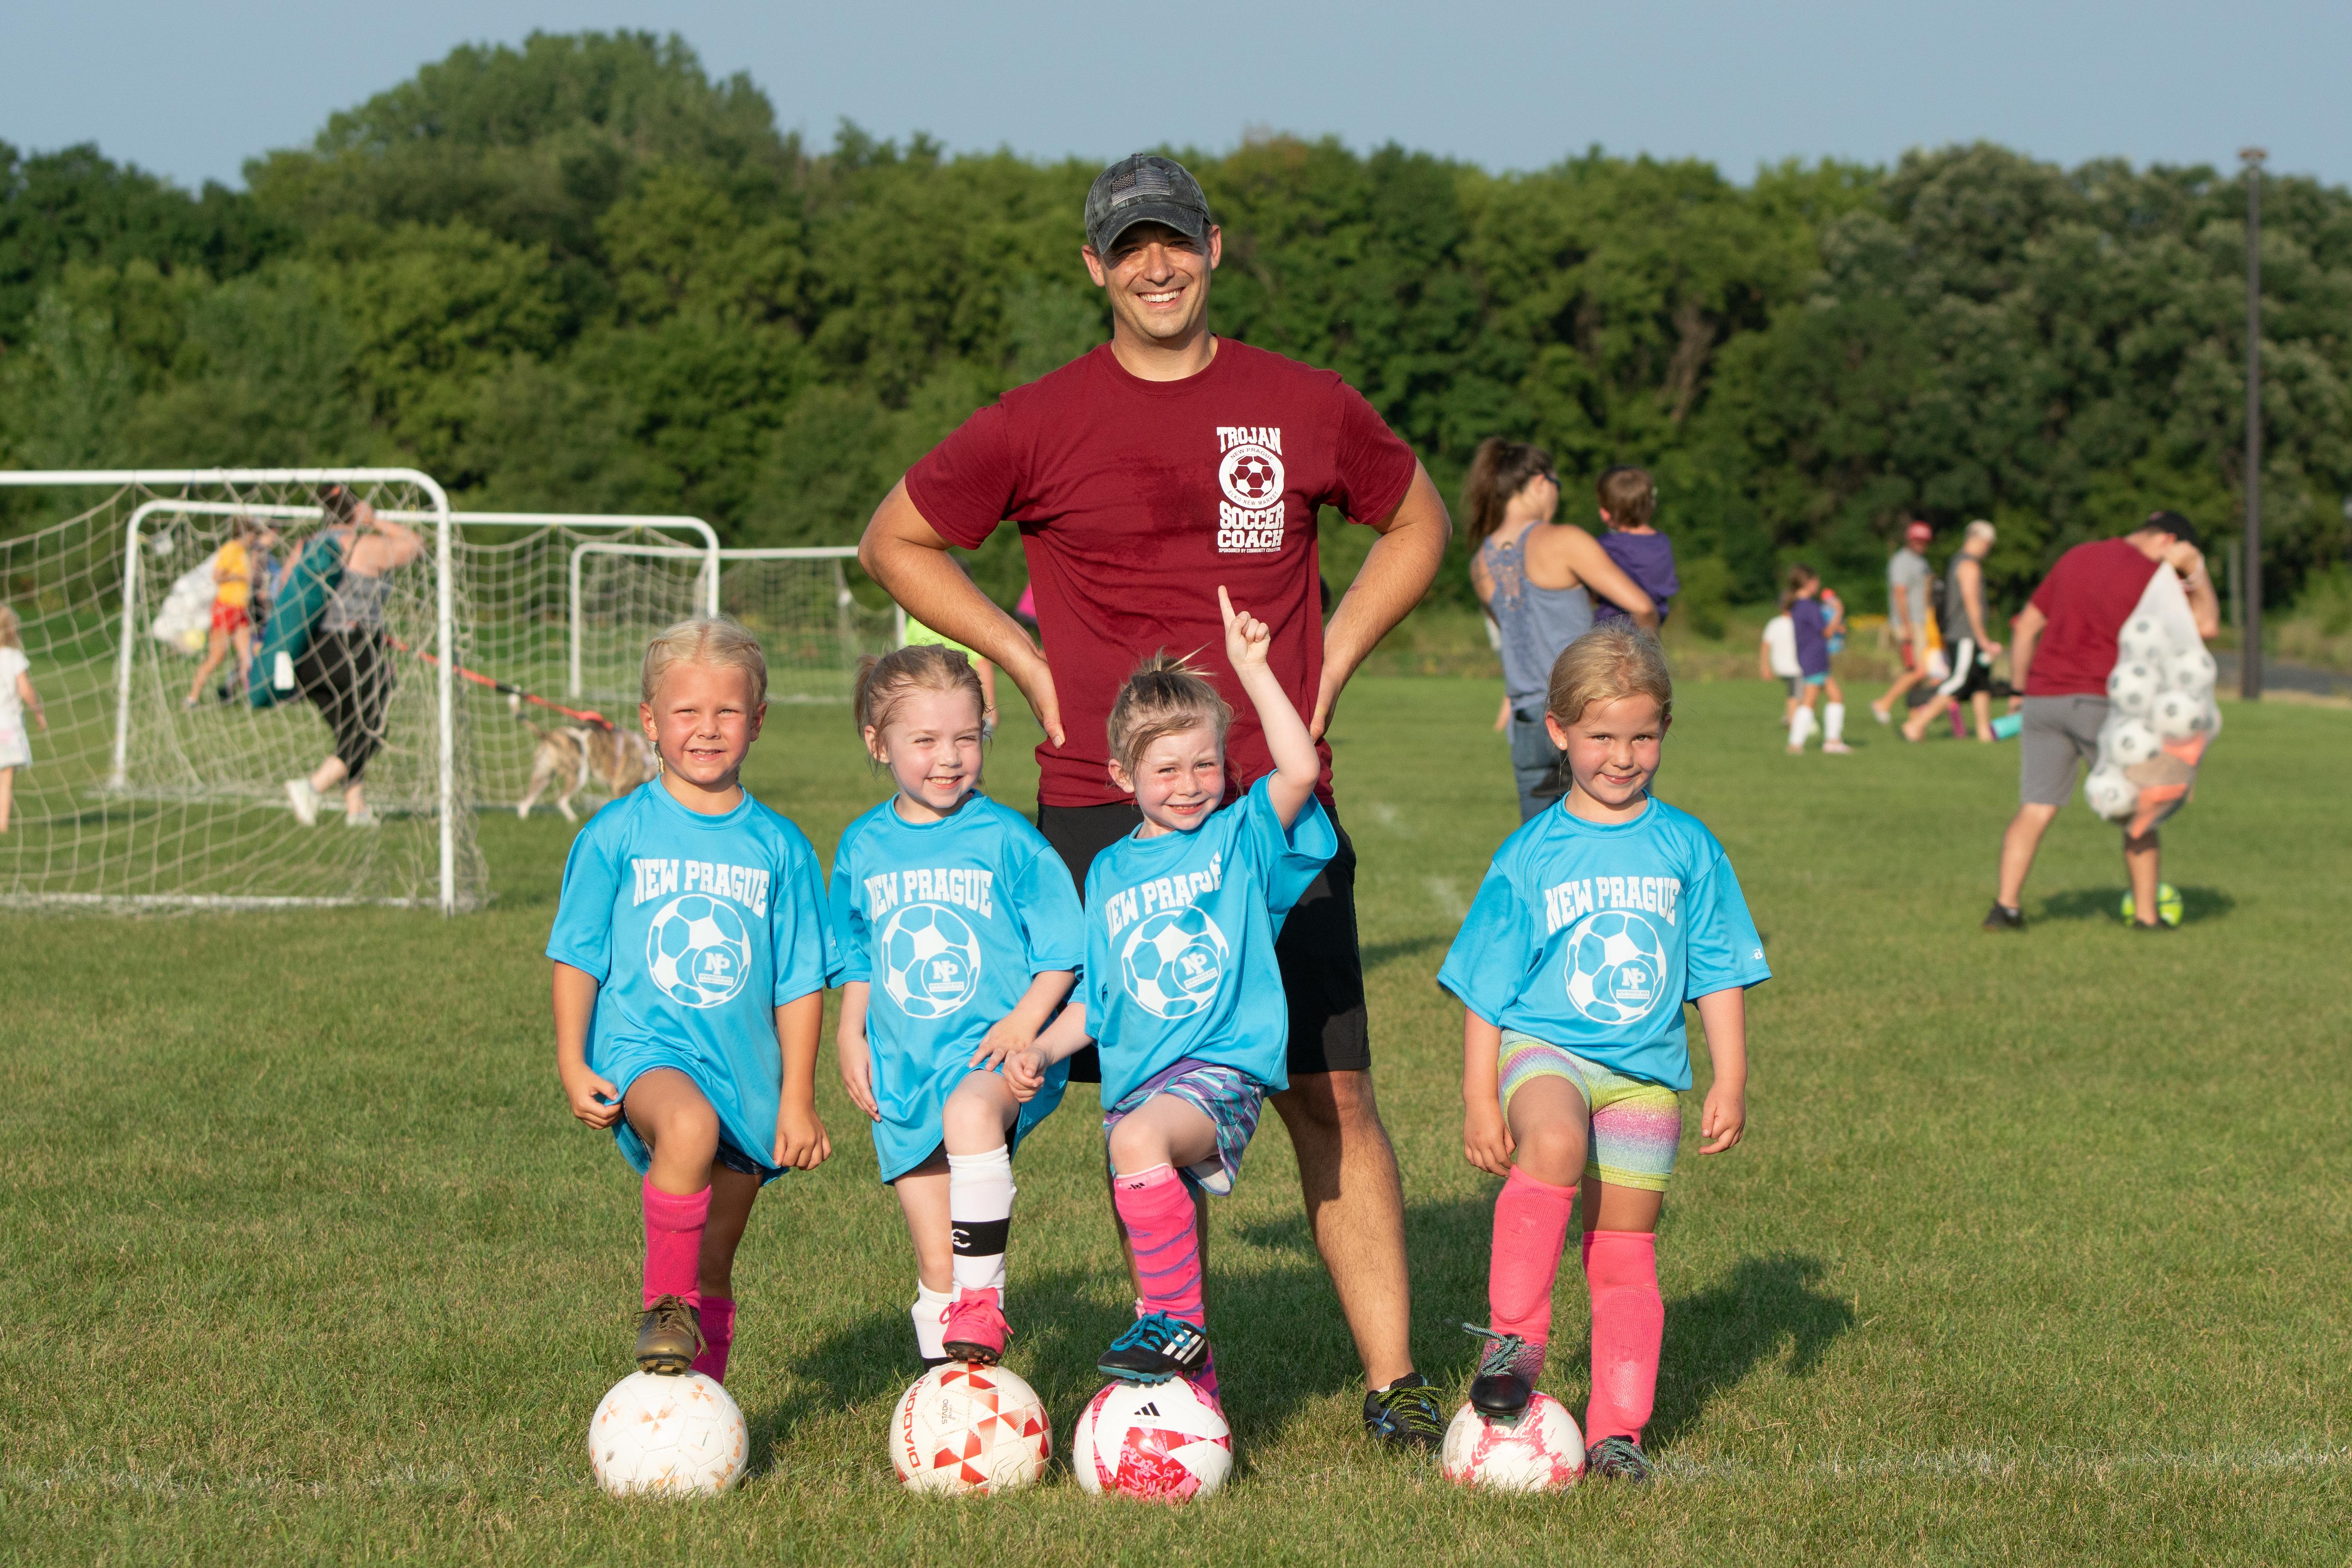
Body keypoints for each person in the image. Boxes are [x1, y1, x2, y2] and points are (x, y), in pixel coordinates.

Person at [857, 152, 1454, 1445]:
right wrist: (1016, 657)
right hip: (1090, 816)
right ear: (1093, 266)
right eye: (1128, 248)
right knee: (1056, 1089)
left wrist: (1328, 659)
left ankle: (1394, 1380)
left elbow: (1416, 520)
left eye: (1172, 241)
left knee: (1327, 1089)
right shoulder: (1035, 417)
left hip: (1266, 821)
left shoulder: (1299, 404)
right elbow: (891, 537)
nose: (1154, 266)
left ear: (1212, 247)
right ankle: (1068, 1352)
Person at [1439, 624, 1766, 1482]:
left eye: (1643, 735)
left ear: (1663, 730)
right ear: (1556, 732)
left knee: (1625, 1250)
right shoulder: (1530, 854)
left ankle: (1619, 1429)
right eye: (1601, 737)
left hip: (1644, 1076)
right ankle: (1515, 1341)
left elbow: (1719, 968)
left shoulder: (1688, 846)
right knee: (1552, 1141)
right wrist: (1480, 1097)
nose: (1623, 756)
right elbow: (1484, 987)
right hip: (1544, 1050)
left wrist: (1728, 1075)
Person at [1015, 591, 1332, 1400]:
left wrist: (1256, 671)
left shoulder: (1239, 837)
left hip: (1218, 1072)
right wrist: (1042, 1048)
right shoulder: (1111, 873)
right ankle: (1199, 1406)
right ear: (1124, 775)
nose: (1191, 783)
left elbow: (1297, 768)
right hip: (1135, 1088)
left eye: (1204, 764)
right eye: (1167, 768)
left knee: (1144, 1185)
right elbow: (1100, 996)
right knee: (1166, 1244)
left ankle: (1178, 1329)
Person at [549, 618, 840, 1379]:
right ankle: (660, 1301)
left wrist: (797, 1098)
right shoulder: (616, 832)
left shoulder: (780, 846)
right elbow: (577, 955)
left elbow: (800, 980)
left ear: (757, 720)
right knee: (685, 1123)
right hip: (645, 1051)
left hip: (747, 1078)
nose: (705, 728)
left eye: (726, 711)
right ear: (649, 719)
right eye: (685, 711)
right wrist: (572, 1059)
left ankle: (695, 1406)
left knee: (714, 1266)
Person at [830, 644, 1084, 1369]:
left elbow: (1062, 950)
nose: (948, 758)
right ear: (878, 744)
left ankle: (984, 1301)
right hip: (902, 1062)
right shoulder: (862, 843)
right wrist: (850, 1030)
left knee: (970, 1113)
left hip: (991, 1053)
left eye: (965, 738)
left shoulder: (1006, 838)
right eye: (925, 740)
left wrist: (1025, 1022)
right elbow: (859, 951)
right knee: (934, 1256)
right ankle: (953, 1386)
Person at [1984, 512, 2219, 932]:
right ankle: (2147, 917)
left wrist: (2019, 692)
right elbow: (2206, 625)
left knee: (2035, 806)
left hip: (2042, 698)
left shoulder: (2076, 556)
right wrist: (2195, 571)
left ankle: (2005, 908)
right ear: (2169, 540)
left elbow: (2026, 627)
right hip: (2102, 700)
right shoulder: (2154, 575)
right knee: (2139, 807)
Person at [1465, 439, 1660, 820]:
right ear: (1540, 482)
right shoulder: (1563, 541)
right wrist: (1649, 665)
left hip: (1528, 723)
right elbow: (1642, 606)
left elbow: (1511, 638)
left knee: (1543, 853)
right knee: (1621, 841)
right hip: (1588, 712)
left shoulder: (1479, 565)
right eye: (1556, 483)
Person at [282, 486, 425, 829]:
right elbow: (416, 545)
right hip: (353, 648)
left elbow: (284, 589)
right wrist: (376, 521)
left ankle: (356, 808)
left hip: (310, 654)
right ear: (355, 512)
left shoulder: (307, 546)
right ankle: (312, 787)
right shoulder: (364, 546)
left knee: (350, 731)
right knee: (371, 729)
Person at [1904, 519, 2001, 743]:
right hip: (1965, 634)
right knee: (1959, 681)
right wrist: (1983, 639)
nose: (1988, 549)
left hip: (1965, 634)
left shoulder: (1958, 561)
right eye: (1988, 544)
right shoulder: (1969, 565)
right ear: (1980, 540)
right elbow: (1971, 603)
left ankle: (1984, 733)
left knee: (1981, 683)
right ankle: (1916, 723)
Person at [183, 517, 271, 708]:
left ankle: (251, 697)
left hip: (241, 609)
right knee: (217, 657)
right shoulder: (230, 549)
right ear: (245, 534)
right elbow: (217, 576)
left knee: (247, 655)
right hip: (226, 607)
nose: (254, 539)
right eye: (253, 535)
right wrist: (240, 576)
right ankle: (192, 697)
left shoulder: (245, 553)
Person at [1590, 467, 1679, 627]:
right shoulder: (1663, 543)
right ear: (1651, 505)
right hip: (1650, 633)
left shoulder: (1608, 545)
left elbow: (1594, 593)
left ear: (1605, 513)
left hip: (1611, 635)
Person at [1871, 520, 1937, 726]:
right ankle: (1884, 703)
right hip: (1909, 623)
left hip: (1921, 622)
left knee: (1917, 673)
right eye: (1918, 540)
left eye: (1924, 541)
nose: (1921, 544)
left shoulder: (1922, 563)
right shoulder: (1901, 561)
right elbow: (1900, 593)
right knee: (1919, 671)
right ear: (1910, 540)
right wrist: (1906, 625)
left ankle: (1914, 716)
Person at [1784, 566, 1851, 754]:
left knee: (1836, 696)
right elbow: (1827, 633)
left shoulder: (1797, 605)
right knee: (1810, 699)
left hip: (1810, 657)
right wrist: (1839, 612)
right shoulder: (1810, 606)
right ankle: (1796, 743)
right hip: (1815, 657)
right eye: (1816, 581)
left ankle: (1833, 741)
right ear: (1809, 583)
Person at [0, 605, 47, 834]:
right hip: (7, 728)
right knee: (6, 779)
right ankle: (3, 824)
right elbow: (25, 689)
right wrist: (38, 709)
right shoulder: (14, 657)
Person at [1759, 601, 1801, 729]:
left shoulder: (1774, 623)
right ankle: (1792, 722)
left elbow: (1765, 646)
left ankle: (1790, 716)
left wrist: (1765, 667)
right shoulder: (1797, 624)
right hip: (1795, 666)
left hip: (1779, 666)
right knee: (1796, 693)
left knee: (1797, 692)